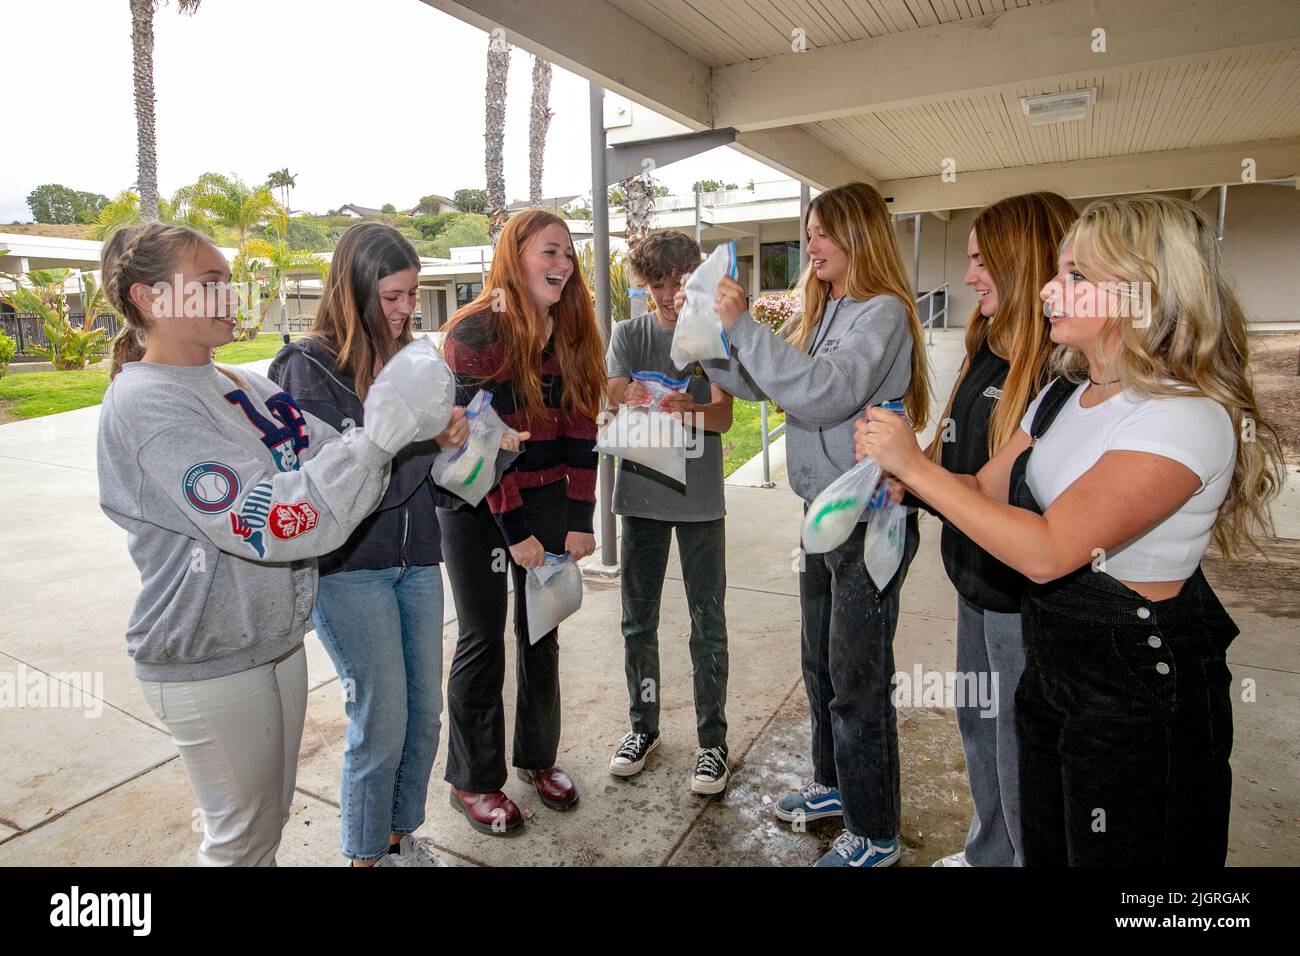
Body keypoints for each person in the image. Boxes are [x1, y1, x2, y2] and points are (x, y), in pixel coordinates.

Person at [856, 194, 1284, 866]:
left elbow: (1052, 550)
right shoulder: (1061, 394)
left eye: (1078, 277)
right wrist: (908, 480)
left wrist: (913, 464)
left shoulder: (1182, 418)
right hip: (1054, 666)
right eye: (1059, 271)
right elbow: (980, 490)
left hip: (1136, 683)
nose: (1052, 289)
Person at [96, 222, 443, 865]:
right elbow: (272, 519)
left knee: (266, 826)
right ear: (150, 299)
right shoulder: (147, 403)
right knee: (241, 841)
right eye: (210, 283)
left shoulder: (244, 386)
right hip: (208, 654)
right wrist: (376, 441)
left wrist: (402, 426)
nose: (231, 294)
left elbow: (328, 458)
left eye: (229, 280)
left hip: (272, 640)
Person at [704, 181, 932, 867]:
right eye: (808, 233)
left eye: (821, 232)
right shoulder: (829, 307)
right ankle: (835, 786)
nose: (811, 245)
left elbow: (825, 390)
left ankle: (876, 830)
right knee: (821, 664)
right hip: (824, 514)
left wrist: (745, 327)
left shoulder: (883, 313)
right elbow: (775, 382)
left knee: (859, 680)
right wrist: (711, 343)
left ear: (859, 234)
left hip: (869, 518)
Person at [268, 222, 470, 867]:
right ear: (353, 290)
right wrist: (427, 445)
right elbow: (334, 492)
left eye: (411, 294)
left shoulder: (413, 359)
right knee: (380, 720)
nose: (405, 309)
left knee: (424, 715)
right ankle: (364, 855)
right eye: (390, 297)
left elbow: (418, 469)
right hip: (350, 568)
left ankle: (398, 837)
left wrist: (464, 447)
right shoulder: (306, 368)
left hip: (418, 562)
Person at [912, 192, 1078, 867]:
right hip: (974, 582)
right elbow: (954, 469)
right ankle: (989, 852)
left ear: (1023, 262)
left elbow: (1015, 509)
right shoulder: (987, 349)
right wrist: (906, 475)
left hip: (1024, 600)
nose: (970, 275)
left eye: (982, 260)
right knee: (979, 727)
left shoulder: (1055, 379)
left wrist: (916, 477)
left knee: (1019, 747)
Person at [437, 209, 605, 834]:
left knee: (542, 631)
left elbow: (585, 431)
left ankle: (538, 758)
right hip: (478, 504)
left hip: (546, 496)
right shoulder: (476, 331)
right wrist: (519, 534)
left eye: (569, 254)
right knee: (483, 638)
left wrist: (580, 518)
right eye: (549, 252)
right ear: (515, 255)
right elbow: (486, 442)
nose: (562, 265)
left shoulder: (576, 329)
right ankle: (473, 780)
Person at [605, 230, 735, 793]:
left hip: (701, 503)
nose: (666, 294)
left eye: (679, 281)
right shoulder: (629, 334)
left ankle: (713, 743)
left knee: (708, 623)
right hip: (640, 499)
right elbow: (610, 386)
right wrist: (624, 395)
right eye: (656, 283)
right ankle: (644, 726)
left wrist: (692, 411)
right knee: (639, 620)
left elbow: (725, 417)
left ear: (695, 278)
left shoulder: (711, 336)